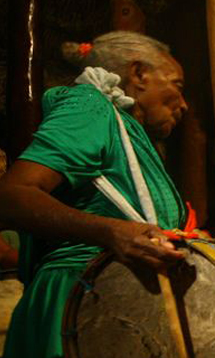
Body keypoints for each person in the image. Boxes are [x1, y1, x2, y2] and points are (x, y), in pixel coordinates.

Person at [0, 31, 190, 358]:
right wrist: (111, 232)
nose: (184, 104)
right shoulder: (91, 106)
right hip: (72, 307)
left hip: (106, 310)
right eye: (178, 85)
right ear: (139, 74)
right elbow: (13, 195)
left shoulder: (129, 133)